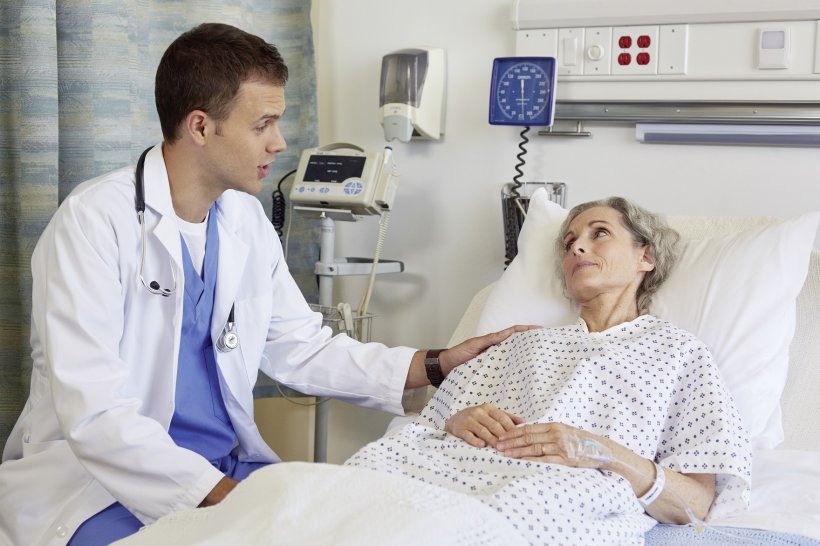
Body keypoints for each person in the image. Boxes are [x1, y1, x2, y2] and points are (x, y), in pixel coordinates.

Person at [0, 23, 528, 546]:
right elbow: (96, 416)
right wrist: (238, 505)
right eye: (263, 124)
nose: (279, 143)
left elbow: (299, 346)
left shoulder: (244, 220)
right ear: (201, 126)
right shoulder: (93, 223)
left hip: (227, 470)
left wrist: (432, 364)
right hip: (100, 487)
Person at [347, 197, 752, 544]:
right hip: (449, 470)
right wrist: (458, 420)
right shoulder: (520, 342)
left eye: (599, 233)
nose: (577, 248)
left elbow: (695, 504)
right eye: (569, 242)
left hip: (559, 492)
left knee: (519, 507)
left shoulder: (678, 352)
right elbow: (422, 432)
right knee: (364, 477)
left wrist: (597, 451)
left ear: (645, 256)